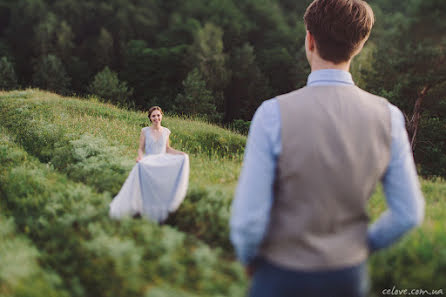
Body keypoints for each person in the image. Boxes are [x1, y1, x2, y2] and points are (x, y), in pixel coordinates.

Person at [230, 1, 425, 296]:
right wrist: (362, 245)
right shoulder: (389, 117)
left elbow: (248, 220)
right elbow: (409, 213)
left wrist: (248, 257)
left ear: (309, 39)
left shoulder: (272, 114)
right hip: (348, 276)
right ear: (360, 45)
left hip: (280, 273)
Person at [109, 106, 189, 223]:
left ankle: (160, 214)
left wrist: (181, 154)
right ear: (150, 118)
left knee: (159, 189)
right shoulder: (145, 131)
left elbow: (167, 149)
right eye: (153, 116)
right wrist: (140, 157)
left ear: (161, 116)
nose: (156, 118)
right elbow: (141, 148)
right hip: (149, 163)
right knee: (147, 189)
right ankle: (145, 212)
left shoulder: (166, 131)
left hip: (161, 163)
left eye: (158, 115)